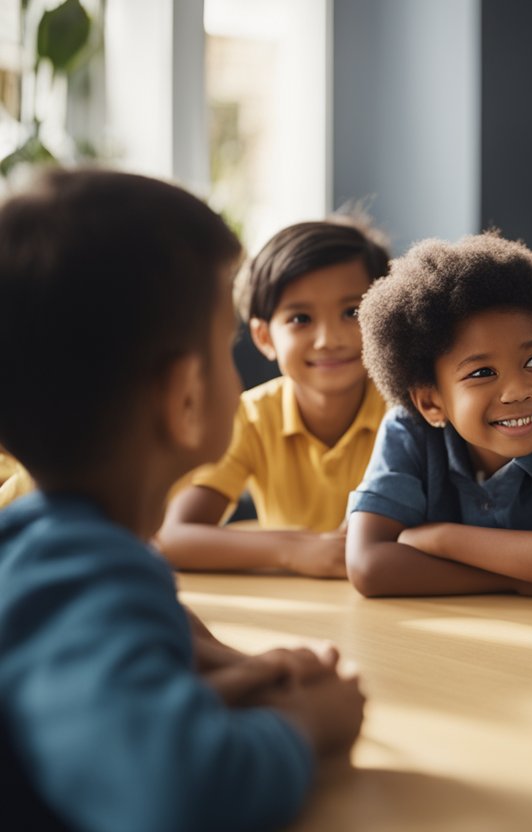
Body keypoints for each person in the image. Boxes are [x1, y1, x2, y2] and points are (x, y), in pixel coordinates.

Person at [0, 169, 365, 832]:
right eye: (227, 344)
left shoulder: (41, 547)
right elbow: (174, 794)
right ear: (184, 397)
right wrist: (307, 723)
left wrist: (242, 670)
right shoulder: (82, 578)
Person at [345, 232, 532, 597]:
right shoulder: (408, 432)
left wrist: (443, 539)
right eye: (482, 373)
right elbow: (368, 566)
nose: (518, 390)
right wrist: (517, 580)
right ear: (431, 403)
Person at [157, 219, 390, 578]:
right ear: (264, 337)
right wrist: (295, 550)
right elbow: (174, 537)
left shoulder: (409, 412)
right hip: (297, 604)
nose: (328, 339)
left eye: (351, 313)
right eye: (301, 318)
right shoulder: (251, 417)